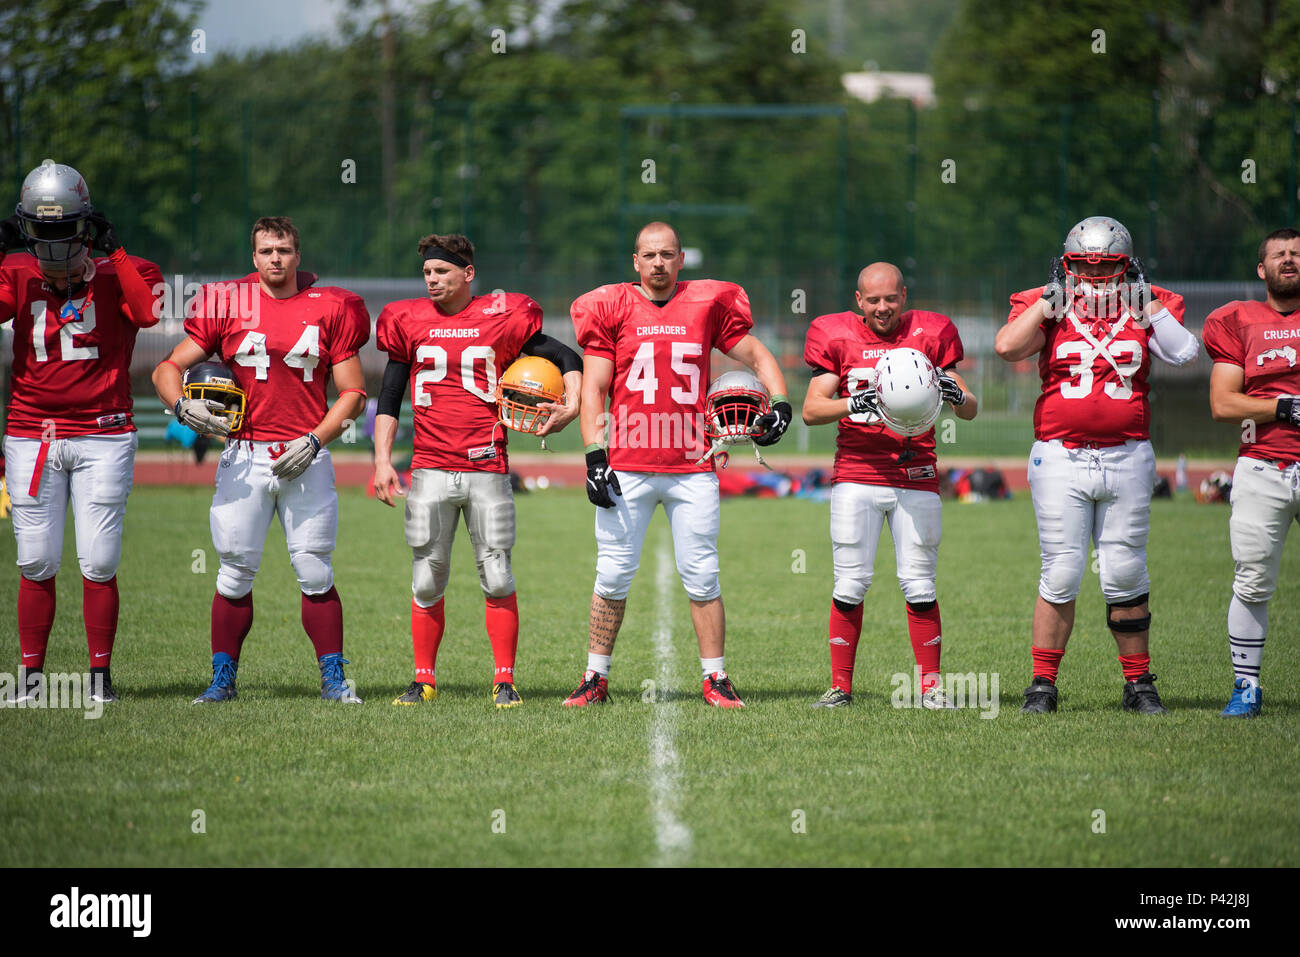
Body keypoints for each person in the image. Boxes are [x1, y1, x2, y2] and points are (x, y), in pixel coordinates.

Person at [562, 221, 790, 708]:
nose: (658, 263)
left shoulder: (707, 303)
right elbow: (596, 387)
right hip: (627, 462)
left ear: (681, 259)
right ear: (635, 261)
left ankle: (716, 678)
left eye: (667, 254)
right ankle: (594, 677)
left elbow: (756, 354)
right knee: (613, 574)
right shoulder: (613, 306)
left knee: (702, 573)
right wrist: (594, 457)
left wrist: (782, 402)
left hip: (693, 465)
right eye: (649, 255)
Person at [151, 216, 370, 704]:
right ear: (254, 257)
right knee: (232, 571)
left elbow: (354, 391)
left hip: (305, 452)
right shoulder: (228, 301)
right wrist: (182, 406)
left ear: (298, 255)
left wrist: (315, 440)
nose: (276, 258)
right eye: (267, 251)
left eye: (285, 250)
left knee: (315, 570)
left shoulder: (331, 306)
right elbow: (168, 367)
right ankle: (222, 679)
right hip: (244, 453)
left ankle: (334, 679)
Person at [994, 215, 1200, 714]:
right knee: (1061, 572)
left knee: (1125, 569)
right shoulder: (1047, 303)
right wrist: (1048, 301)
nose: (1095, 276)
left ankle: (1138, 685)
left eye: (1107, 266)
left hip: (1127, 453)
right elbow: (1006, 347)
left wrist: (1145, 302)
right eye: (1084, 267)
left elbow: (1186, 354)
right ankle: (1042, 685)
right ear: (1065, 266)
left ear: (1126, 266)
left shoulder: (1148, 304)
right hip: (1060, 454)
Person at [372, 233, 581, 708]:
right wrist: (383, 460)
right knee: (426, 578)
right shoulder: (408, 320)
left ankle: (503, 680)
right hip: (428, 466)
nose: (432, 280)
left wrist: (569, 405)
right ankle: (423, 679)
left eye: (442, 271)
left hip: (487, 467)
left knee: (499, 576)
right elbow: (389, 395)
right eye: (427, 272)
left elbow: (568, 357)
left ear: (468, 274)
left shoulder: (502, 316)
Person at [1, 159, 163, 703]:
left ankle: (99, 677)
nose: (50, 244)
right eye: (39, 231)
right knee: (37, 560)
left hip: (103, 433)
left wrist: (114, 253)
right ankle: (31, 678)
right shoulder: (17, 271)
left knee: (98, 560)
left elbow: (144, 316)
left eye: (60, 229)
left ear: (86, 224)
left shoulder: (127, 269)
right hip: (32, 432)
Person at [801, 262, 977, 709]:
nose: (883, 308)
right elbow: (811, 410)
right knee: (850, 584)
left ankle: (932, 688)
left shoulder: (932, 333)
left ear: (904, 296)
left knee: (920, 584)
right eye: (873, 300)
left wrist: (959, 396)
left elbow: (970, 408)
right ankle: (841, 687)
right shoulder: (836, 334)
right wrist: (851, 402)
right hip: (857, 474)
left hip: (916, 473)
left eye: (891, 298)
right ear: (858, 301)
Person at [1203, 227, 1300, 717]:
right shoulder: (1236, 321)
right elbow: (1223, 403)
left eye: (1297, 254)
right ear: (1262, 269)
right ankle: (1246, 686)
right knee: (1253, 579)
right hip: (1262, 464)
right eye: (1280, 254)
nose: (1290, 259)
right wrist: (1284, 408)